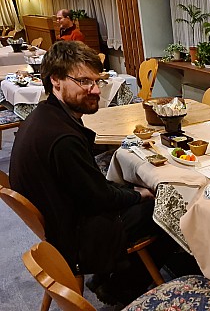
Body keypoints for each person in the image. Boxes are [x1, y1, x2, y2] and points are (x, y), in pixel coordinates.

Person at [9, 41, 167, 305]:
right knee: (164, 209)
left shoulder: (44, 116)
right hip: (75, 236)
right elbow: (101, 198)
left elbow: (89, 188)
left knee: (130, 187)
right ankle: (120, 288)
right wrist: (140, 194)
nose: (95, 90)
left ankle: (105, 279)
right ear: (56, 81)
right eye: (84, 81)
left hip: (61, 219)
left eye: (98, 81)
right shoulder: (62, 139)